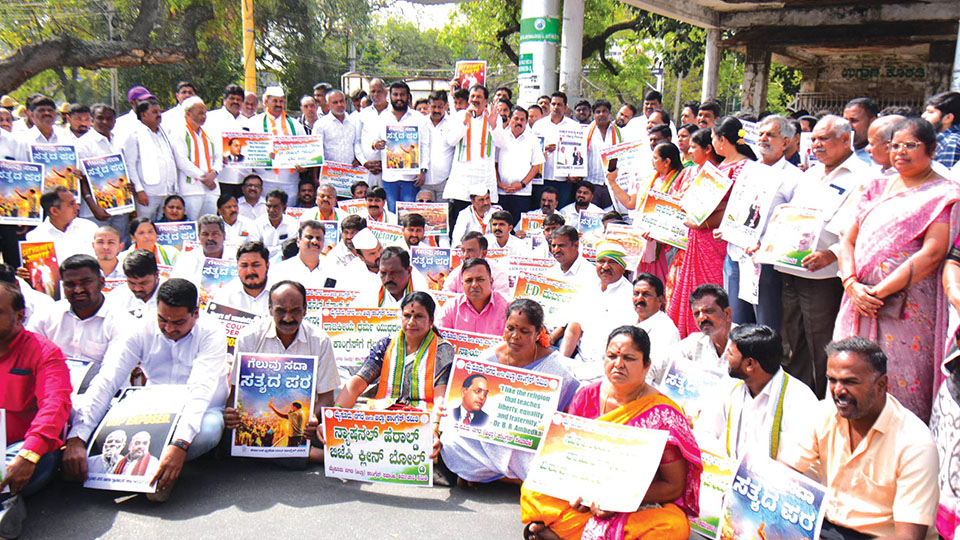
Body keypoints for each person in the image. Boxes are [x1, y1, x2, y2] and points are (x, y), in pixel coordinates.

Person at [521, 326, 702, 540]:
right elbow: (567, 459)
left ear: (647, 365)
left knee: (673, 527)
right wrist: (579, 494)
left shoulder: (664, 414)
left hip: (635, 503)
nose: (618, 364)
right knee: (533, 488)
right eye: (612, 356)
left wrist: (617, 501)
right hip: (584, 492)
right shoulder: (586, 396)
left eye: (629, 358)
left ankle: (558, 531)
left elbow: (673, 486)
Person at [835, 117, 960, 421]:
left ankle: (903, 443)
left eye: (910, 145)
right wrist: (852, 284)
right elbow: (847, 239)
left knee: (902, 377)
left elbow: (932, 254)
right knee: (850, 373)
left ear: (932, 149)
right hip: (858, 299)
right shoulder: (874, 187)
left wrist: (879, 292)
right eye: (894, 146)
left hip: (906, 308)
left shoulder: (944, 194)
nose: (900, 152)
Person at [62, 279, 229, 501]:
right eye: (163, 320)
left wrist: (180, 444)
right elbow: (108, 379)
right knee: (81, 409)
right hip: (155, 409)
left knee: (208, 432)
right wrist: (77, 438)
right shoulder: (140, 329)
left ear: (195, 314)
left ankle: (157, 472)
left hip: (204, 408)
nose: (169, 328)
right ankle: (150, 472)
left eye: (178, 322)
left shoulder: (212, 332)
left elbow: (201, 390)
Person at [779, 337, 939, 540]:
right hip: (826, 527)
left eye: (850, 382)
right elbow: (782, 473)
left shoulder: (915, 444)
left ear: (881, 385)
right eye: (832, 380)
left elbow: (908, 537)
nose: (838, 390)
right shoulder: (823, 413)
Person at [440, 300, 579, 482]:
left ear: (538, 333)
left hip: (527, 443)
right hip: (487, 437)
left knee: (549, 458)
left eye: (524, 331)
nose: (515, 336)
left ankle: (492, 477)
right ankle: (515, 479)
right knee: (451, 442)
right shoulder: (488, 358)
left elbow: (569, 410)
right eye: (510, 328)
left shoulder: (556, 367)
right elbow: (463, 402)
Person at [780, 115, 868, 399]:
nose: (816, 144)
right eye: (814, 138)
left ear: (845, 139)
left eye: (824, 139)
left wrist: (831, 255)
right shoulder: (810, 174)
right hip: (791, 267)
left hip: (824, 276)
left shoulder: (862, 177)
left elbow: (860, 228)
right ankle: (794, 402)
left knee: (821, 344)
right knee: (791, 342)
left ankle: (824, 404)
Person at [224, 281, 339, 456]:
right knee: (227, 436)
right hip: (272, 429)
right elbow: (235, 393)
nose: (288, 318)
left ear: (305, 309)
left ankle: (301, 455)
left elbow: (326, 397)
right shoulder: (249, 337)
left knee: (325, 433)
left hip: (305, 428)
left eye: (295, 311)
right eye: (280, 311)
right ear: (270, 309)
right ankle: (313, 456)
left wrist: (311, 418)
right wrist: (231, 415)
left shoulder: (320, 340)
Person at [0, 281, 71, 540]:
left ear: (20, 316)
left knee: (16, 465)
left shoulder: (44, 352)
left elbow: (55, 405)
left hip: (23, 451)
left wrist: (28, 454)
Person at [698, 324, 816, 459]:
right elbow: (705, 432)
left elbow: (801, 459)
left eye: (730, 353)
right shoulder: (729, 386)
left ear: (749, 364)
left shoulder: (800, 399)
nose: (725, 356)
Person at [336, 292, 454, 410]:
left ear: (431, 321)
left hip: (423, 413)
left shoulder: (442, 351)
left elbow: (441, 395)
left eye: (419, 316)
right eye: (407, 316)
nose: (411, 322)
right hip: (386, 410)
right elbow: (359, 381)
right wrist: (337, 412)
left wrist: (437, 414)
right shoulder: (386, 345)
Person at [665, 129, 726, 338]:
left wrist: (702, 221)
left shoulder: (719, 173)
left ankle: (712, 335)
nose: (689, 151)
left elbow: (725, 207)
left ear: (708, 149)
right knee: (685, 289)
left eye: (693, 147)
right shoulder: (688, 172)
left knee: (709, 290)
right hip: (687, 238)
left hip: (711, 239)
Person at [26, 254, 125, 364]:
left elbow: (115, 368)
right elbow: (30, 355)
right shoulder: (46, 316)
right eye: (70, 284)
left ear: (101, 282)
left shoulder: (121, 320)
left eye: (85, 282)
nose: (78, 290)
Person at [558, 242, 636, 381]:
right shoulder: (588, 288)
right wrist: (561, 363)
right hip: (579, 363)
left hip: (609, 371)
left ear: (623, 267)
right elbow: (574, 328)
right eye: (601, 261)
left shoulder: (631, 296)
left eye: (612, 262)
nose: (605, 267)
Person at [122, 98, 187, 220]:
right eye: (154, 112)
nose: (159, 115)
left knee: (163, 224)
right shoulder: (134, 134)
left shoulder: (164, 132)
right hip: (148, 192)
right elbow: (130, 165)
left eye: (159, 112)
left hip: (167, 190)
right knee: (144, 223)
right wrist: (139, 190)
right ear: (143, 115)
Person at [443, 85, 504, 216]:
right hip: (463, 178)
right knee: (461, 217)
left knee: (484, 219)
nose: (475, 100)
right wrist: (464, 121)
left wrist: (493, 125)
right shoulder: (459, 116)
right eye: (473, 96)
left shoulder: (493, 117)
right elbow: (451, 141)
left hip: (484, 176)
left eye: (479, 97)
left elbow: (501, 143)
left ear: (486, 101)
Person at [369, 82, 430, 211]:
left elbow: (425, 145)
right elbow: (373, 141)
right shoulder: (382, 117)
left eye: (402, 95)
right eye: (395, 94)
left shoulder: (418, 118)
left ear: (408, 96)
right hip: (389, 177)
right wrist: (376, 145)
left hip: (411, 177)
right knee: (392, 213)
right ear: (390, 96)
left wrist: (423, 170)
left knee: (409, 214)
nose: (399, 98)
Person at [246, 86, 306, 200]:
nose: (279, 104)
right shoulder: (253, 123)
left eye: (281, 101)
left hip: (290, 181)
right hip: (264, 180)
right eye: (275, 101)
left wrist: (304, 164)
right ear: (266, 101)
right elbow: (247, 150)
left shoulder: (295, 125)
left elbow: (305, 150)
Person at [171, 96, 222, 220]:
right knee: (192, 222)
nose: (204, 116)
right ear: (188, 113)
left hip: (211, 188)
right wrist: (204, 177)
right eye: (200, 113)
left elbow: (218, 157)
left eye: (205, 113)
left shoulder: (209, 133)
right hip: (191, 189)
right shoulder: (179, 132)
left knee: (210, 222)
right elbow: (182, 161)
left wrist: (214, 173)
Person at [437, 258, 510, 335]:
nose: (474, 285)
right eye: (469, 280)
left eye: (480, 279)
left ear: (491, 281)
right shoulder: (451, 308)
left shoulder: (507, 308)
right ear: (462, 284)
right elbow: (439, 337)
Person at [670, 284, 734, 372]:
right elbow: (663, 362)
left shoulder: (745, 342)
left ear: (727, 313)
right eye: (697, 314)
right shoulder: (695, 342)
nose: (702, 318)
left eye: (708, 311)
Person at [532, 92, 580, 210]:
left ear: (565, 107)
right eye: (553, 104)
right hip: (543, 177)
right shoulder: (539, 125)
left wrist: (575, 173)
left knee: (562, 211)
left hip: (564, 179)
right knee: (541, 211)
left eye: (559, 104)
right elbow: (531, 149)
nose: (556, 107)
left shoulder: (574, 126)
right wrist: (544, 149)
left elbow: (578, 151)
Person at [493, 106, 543, 219]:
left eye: (522, 119)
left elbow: (536, 167)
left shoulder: (533, 140)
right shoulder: (500, 137)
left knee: (518, 226)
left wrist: (521, 184)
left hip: (523, 193)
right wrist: (500, 184)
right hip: (502, 192)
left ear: (526, 122)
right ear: (509, 119)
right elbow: (494, 163)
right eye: (516, 119)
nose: (519, 122)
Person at [24, 186, 98, 261]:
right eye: (71, 204)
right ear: (54, 211)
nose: (77, 207)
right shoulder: (35, 237)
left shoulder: (89, 227)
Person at [631, 273, 681, 384]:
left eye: (646, 294)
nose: (639, 298)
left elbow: (656, 372)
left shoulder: (666, 330)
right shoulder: (630, 320)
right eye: (636, 294)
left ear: (660, 300)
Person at [204, 84, 249, 199]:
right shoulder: (211, 118)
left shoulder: (248, 122)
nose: (235, 102)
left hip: (242, 178)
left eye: (239, 99)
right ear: (224, 100)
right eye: (232, 98)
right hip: (220, 177)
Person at [351, 246, 426, 308]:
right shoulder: (368, 295)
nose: (388, 279)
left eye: (394, 273)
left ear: (409, 271)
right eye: (383, 273)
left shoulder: (422, 294)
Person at [443, 232, 511, 296]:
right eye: (463, 250)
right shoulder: (456, 273)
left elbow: (502, 300)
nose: (465, 255)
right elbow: (446, 296)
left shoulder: (498, 273)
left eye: (470, 251)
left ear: (484, 253)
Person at [212, 240, 271, 313]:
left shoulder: (280, 293)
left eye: (256, 265)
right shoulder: (224, 294)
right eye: (244, 266)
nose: (250, 271)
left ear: (267, 266)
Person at [269, 220, 331, 287]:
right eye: (309, 237)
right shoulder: (281, 270)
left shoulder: (333, 270)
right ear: (298, 241)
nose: (315, 241)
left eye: (318, 238)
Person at [106, 249, 161, 320]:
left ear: (156, 275)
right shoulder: (116, 297)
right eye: (132, 283)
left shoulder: (172, 295)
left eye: (143, 283)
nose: (137, 289)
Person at [354, 78, 389, 187]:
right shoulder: (363, 114)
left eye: (379, 91)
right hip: (367, 170)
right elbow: (357, 141)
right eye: (373, 91)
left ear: (386, 92)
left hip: (389, 171)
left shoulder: (394, 113)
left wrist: (385, 164)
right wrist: (365, 162)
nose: (376, 95)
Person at [313, 90, 358, 167]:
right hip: (330, 171)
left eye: (341, 101)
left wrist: (357, 159)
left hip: (351, 170)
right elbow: (316, 151)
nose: (339, 104)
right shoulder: (321, 124)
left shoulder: (353, 122)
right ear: (328, 105)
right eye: (335, 102)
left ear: (346, 102)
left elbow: (357, 144)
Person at [424, 91, 454, 201]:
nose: (436, 110)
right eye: (433, 106)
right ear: (428, 105)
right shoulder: (421, 123)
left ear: (446, 106)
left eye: (440, 107)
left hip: (445, 181)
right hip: (424, 180)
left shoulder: (452, 123)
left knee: (444, 211)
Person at [921, 91, 960, 168]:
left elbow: (945, 174)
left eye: (930, 112)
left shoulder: (951, 143)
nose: (923, 116)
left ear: (948, 118)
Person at [255, 189, 298, 259]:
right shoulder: (257, 223)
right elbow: (256, 248)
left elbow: (291, 248)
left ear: (284, 208)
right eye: (269, 206)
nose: (271, 210)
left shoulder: (292, 223)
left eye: (275, 207)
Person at [844, 97, 879, 165]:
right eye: (845, 120)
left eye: (854, 121)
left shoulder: (879, 157)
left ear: (872, 122)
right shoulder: (835, 153)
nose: (848, 126)